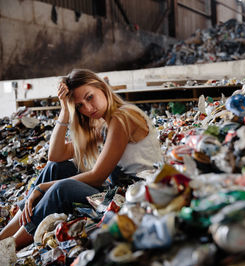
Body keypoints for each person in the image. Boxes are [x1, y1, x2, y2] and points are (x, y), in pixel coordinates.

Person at [0, 69, 162, 255]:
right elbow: (56, 155)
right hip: (116, 190)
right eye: (79, 106)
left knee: (62, 189)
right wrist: (64, 111)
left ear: (102, 87)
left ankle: (10, 246)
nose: (88, 108)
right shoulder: (105, 123)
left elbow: (97, 177)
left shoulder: (122, 117)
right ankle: (3, 237)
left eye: (90, 97)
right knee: (56, 168)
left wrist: (42, 187)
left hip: (135, 196)